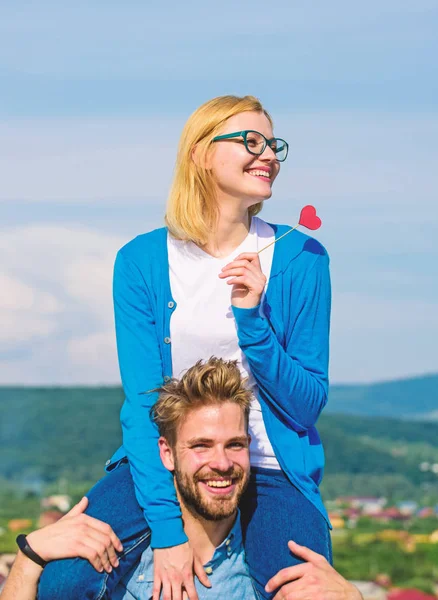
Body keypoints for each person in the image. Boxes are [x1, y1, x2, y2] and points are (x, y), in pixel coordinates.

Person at [38, 94, 332, 600]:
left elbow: (308, 404)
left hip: (267, 464)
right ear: (200, 153)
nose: (269, 155)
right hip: (167, 460)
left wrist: (253, 322)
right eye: (250, 141)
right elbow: (143, 401)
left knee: (304, 589)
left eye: (273, 145)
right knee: (63, 581)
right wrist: (169, 533)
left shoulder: (302, 257)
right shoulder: (141, 261)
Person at [5, 359, 359, 600]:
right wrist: (29, 558)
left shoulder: (268, 575)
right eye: (201, 446)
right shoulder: (115, 565)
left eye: (234, 444)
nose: (221, 463)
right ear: (167, 453)